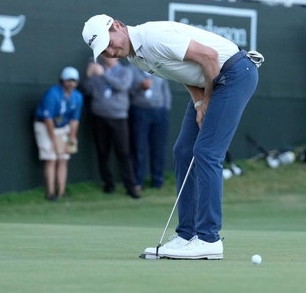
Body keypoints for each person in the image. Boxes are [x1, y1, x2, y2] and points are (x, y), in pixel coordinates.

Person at [81, 14, 262, 260]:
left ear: (117, 26)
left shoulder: (153, 37)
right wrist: (199, 102)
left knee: (207, 152)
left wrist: (207, 99)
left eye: (109, 43)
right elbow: (185, 74)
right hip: (212, 82)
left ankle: (209, 239)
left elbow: (209, 58)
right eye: (103, 50)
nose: (110, 52)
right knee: (184, 151)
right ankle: (186, 235)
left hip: (234, 73)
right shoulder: (136, 58)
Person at [80, 56, 140, 199]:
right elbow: (86, 91)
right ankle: (108, 184)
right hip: (99, 117)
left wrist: (104, 74)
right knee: (102, 152)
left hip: (119, 117)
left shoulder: (125, 70)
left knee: (123, 152)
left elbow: (122, 86)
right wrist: (88, 77)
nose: (105, 56)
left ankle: (130, 187)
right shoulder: (96, 69)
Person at [33, 67, 84, 201]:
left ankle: (61, 192)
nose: (71, 83)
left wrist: (72, 138)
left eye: (74, 81)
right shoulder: (52, 94)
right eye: (68, 80)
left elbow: (74, 120)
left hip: (63, 127)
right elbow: (48, 118)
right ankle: (50, 193)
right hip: (45, 127)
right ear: (62, 81)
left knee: (63, 159)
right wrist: (54, 140)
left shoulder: (78, 96)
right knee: (51, 159)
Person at [128, 65, 171, 190]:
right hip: (139, 111)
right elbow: (128, 92)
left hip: (159, 112)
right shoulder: (132, 69)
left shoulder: (159, 68)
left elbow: (166, 92)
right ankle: (138, 181)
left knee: (158, 148)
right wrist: (139, 87)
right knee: (139, 147)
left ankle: (158, 180)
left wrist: (165, 109)